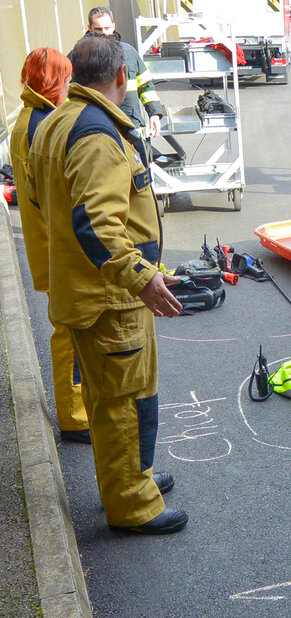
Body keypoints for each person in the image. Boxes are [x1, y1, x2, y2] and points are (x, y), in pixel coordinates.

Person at [27, 35, 186, 534]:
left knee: (107, 400)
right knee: (126, 402)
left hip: (84, 289)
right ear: (122, 77)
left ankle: (127, 480)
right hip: (110, 299)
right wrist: (142, 279)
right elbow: (97, 224)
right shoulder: (97, 134)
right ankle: (132, 504)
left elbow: (37, 198)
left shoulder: (57, 120)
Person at [11, 49, 91, 444]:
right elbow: (51, 195)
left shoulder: (30, 117)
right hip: (56, 249)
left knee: (68, 333)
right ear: (54, 80)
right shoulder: (40, 123)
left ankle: (76, 410)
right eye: (65, 77)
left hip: (48, 245)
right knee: (70, 336)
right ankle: (75, 417)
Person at [84, 6, 163, 139]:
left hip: (132, 129)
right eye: (98, 29)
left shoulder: (129, 53)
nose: (103, 33)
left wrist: (154, 113)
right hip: (99, 132)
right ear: (89, 27)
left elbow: (146, 85)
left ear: (113, 26)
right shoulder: (80, 57)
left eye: (107, 28)